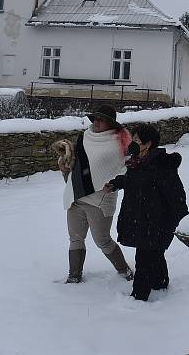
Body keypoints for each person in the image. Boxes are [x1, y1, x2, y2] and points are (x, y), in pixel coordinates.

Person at [104, 124, 189, 301]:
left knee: (144, 256)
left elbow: (175, 192)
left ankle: (139, 296)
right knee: (154, 252)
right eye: (132, 139)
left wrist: (183, 216)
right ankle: (160, 282)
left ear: (148, 143)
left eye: (136, 140)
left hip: (157, 219)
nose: (132, 143)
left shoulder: (160, 164)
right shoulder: (137, 161)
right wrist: (115, 184)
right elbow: (133, 180)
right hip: (142, 216)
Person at [59, 104, 133, 284]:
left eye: (102, 119)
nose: (97, 122)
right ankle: (74, 275)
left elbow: (127, 171)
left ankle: (124, 271)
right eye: (96, 119)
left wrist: (116, 184)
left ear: (111, 123)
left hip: (100, 199)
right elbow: (77, 168)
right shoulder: (84, 137)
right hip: (76, 197)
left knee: (103, 241)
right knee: (75, 238)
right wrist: (65, 168)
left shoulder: (119, 144)